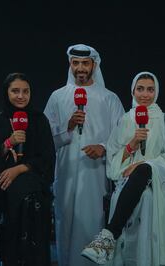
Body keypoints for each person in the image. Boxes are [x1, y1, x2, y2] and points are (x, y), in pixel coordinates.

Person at [81, 71, 165, 265]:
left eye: (150, 89)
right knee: (141, 183)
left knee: (144, 171)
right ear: (132, 91)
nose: (145, 95)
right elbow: (113, 163)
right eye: (140, 89)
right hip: (127, 185)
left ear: (157, 92)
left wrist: (144, 164)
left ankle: (108, 236)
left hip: (158, 185)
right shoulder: (124, 120)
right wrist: (132, 145)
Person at [44, 44, 124, 266]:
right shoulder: (57, 97)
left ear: (94, 65)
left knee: (95, 225)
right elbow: (44, 139)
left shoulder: (110, 99)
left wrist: (103, 147)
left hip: (96, 177)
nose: (80, 67)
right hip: (65, 176)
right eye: (75, 62)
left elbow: (123, 137)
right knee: (65, 226)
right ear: (70, 64)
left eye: (85, 63)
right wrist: (67, 127)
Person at [0, 72, 56, 266]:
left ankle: (19, 257)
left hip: (30, 175)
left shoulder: (40, 120)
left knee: (21, 190)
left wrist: (20, 168)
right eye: (15, 91)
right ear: (6, 93)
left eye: (26, 91)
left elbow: (47, 158)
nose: (21, 96)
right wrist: (7, 143)